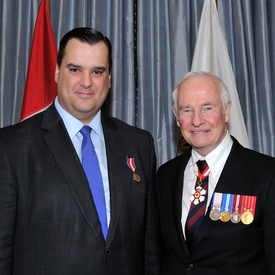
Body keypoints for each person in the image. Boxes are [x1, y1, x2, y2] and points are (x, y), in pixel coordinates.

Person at [0, 27, 161, 275]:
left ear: (109, 79)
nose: (86, 82)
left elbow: (150, 249)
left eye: (97, 71)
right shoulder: (12, 146)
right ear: (56, 72)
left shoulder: (138, 144)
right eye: (75, 70)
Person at [156, 71, 275, 274]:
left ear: (226, 111)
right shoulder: (165, 176)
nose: (196, 120)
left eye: (207, 108)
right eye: (187, 110)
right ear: (176, 117)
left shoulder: (267, 174)